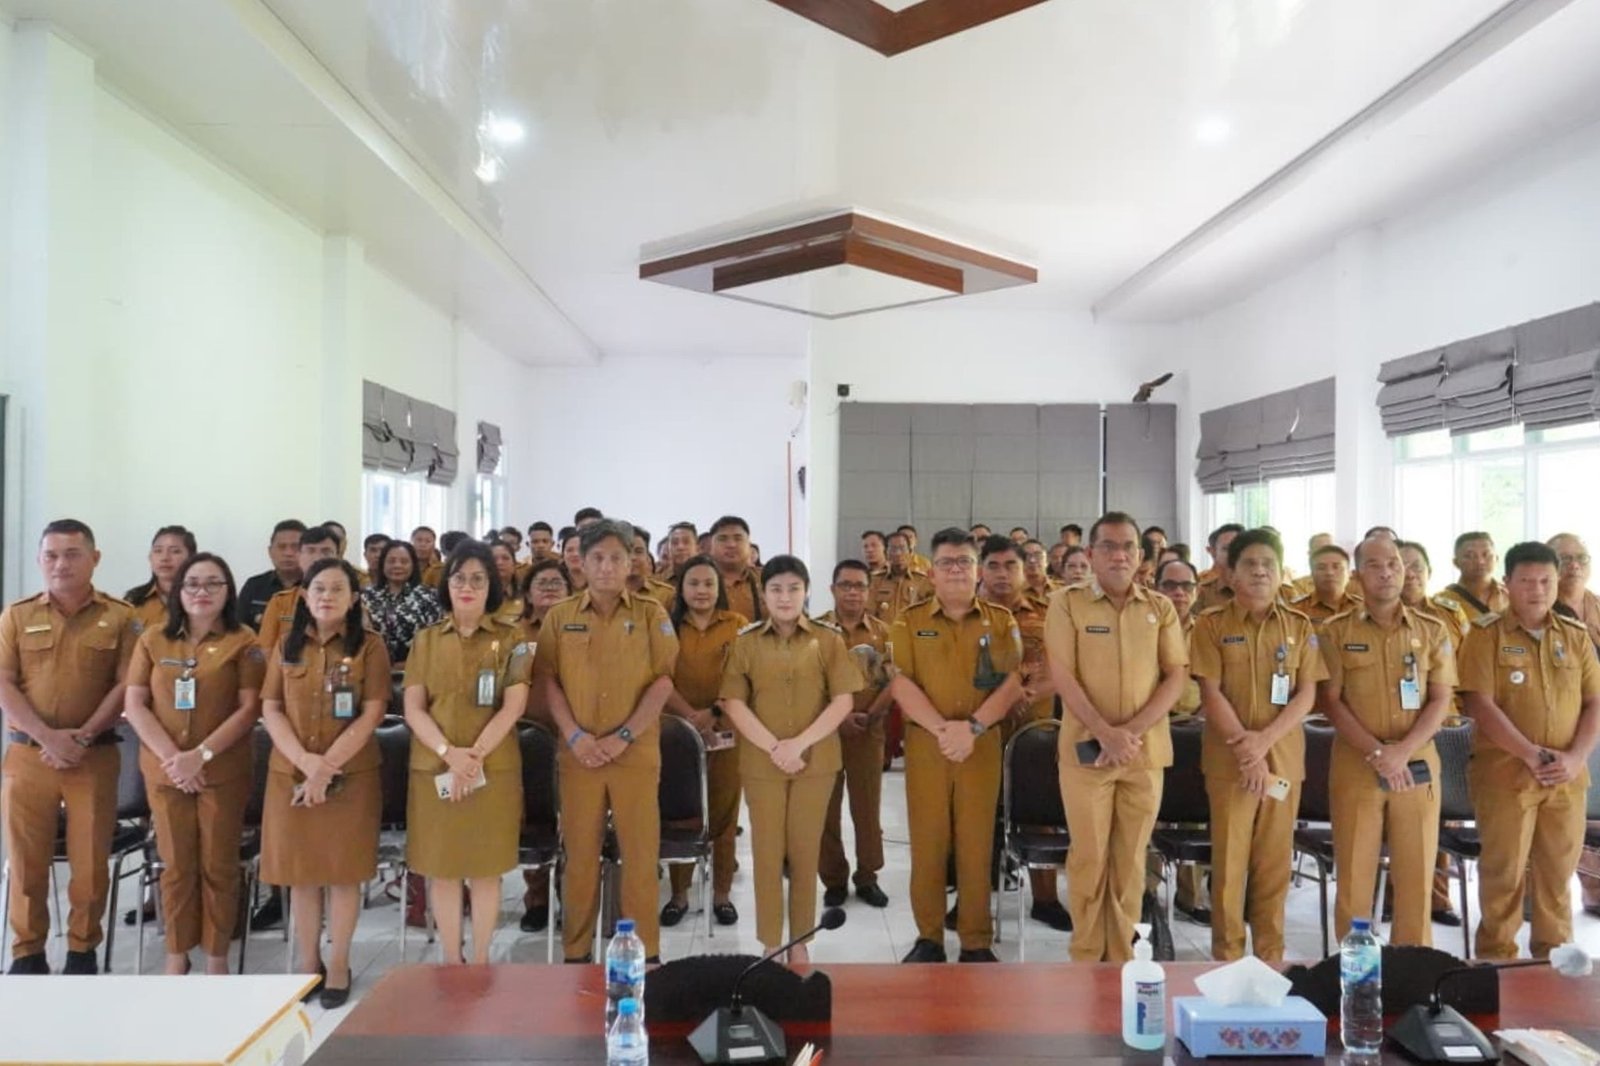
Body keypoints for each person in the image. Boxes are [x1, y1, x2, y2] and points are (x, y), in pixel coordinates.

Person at [1045, 512, 1188, 963]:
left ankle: (1123, 960)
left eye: (1128, 546)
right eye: (1108, 546)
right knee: (1089, 859)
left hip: (1144, 755)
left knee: (1131, 863)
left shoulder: (1160, 608)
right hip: (1087, 753)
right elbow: (1062, 675)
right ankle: (1087, 957)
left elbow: (1176, 675)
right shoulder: (1066, 604)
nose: (1119, 555)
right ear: (1090, 554)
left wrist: (1130, 733)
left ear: (1141, 555)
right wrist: (1105, 733)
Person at [535, 518, 679, 963]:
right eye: (597, 557)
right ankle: (577, 952)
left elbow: (663, 682)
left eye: (617, 557)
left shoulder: (652, 614)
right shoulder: (560, 617)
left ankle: (643, 954)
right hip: (578, 755)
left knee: (639, 855)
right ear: (580, 561)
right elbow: (548, 680)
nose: (607, 567)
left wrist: (624, 736)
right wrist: (574, 735)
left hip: (634, 752)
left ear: (631, 561)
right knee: (580, 856)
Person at [0, 519, 138, 975]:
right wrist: (48, 737)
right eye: (51, 555)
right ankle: (27, 952)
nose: (61, 564)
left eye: (72, 554)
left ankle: (82, 949)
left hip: (92, 756)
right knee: (26, 861)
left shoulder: (121, 617)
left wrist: (81, 737)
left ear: (94, 558)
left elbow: (126, 685)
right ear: (40, 560)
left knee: (90, 862)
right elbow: (4, 684)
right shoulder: (16, 616)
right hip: (28, 756)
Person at [1459, 541, 1600, 959]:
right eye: (1526, 581)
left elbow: (1595, 702)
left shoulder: (1575, 636)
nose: (1537, 590)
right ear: (1507, 583)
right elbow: (1478, 703)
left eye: (1545, 581)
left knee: (1557, 876)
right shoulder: (1485, 635)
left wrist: (1576, 757)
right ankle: (1495, 961)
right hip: (1507, 775)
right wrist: (1529, 753)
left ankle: (1552, 963)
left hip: (1566, 778)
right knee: (1503, 874)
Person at [1190, 528, 1325, 961]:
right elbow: (1210, 692)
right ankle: (1227, 956)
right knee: (1230, 864)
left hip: (1282, 765)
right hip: (1229, 765)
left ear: (1281, 572)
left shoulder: (1299, 626)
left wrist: (1263, 742)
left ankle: (1270, 954)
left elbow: (1307, 694)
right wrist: (1247, 753)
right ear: (1230, 574)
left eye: (1268, 563)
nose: (1260, 571)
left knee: (1273, 863)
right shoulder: (1211, 625)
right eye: (1249, 563)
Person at [889, 528, 1023, 963]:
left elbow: (1011, 683)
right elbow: (900, 682)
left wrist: (973, 729)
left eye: (964, 561)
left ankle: (975, 940)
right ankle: (929, 937)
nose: (956, 570)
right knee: (928, 843)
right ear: (931, 571)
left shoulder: (1000, 621)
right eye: (946, 562)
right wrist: (944, 731)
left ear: (978, 570)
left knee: (976, 844)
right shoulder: (909, 621)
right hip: (927, 745)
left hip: (980, 745)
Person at [124, 553, 262, 975]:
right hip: (165, 773)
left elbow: (249, 709)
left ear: (228, 590)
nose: (202, 592)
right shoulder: (153, 639)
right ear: (178, 591)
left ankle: (217, 956)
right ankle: (177, 953)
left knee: (218, 865)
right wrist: (174, 759)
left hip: (221, 772)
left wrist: (199, 756)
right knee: (176, 866)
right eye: (192, 583)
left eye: (213, 583)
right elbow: (135, 703)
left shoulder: (245, 641)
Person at [259, 558, 389, 1004]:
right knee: (302, 875)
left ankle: (338, 963)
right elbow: (271, 707)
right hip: (291, 776)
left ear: (353, 598)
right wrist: (305, 762)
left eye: (337, 589)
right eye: (319, 588)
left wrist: (325, 767)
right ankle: (308, 961)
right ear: (304, 595)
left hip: (349, 778)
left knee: (342, 874)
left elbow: (373, 711)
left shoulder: (370, 646)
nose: (327, 596)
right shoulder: (286, 644)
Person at [721, 557, 860, 963]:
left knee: (804, 851)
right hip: (761, 764)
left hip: (815, 762)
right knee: (766, 853)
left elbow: (843, 701)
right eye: (776, 589)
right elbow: (733, 702)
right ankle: (770, 941)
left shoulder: (828, 640)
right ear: (763, 594)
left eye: (793, 588)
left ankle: (799, 941)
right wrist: (775, 748)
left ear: (806, 592)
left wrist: (798, 745)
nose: (785, 597)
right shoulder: (746, 642)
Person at [1319, 535, 1455, 947]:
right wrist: (1378, 752)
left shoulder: (1433, 630)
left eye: (1394, 564)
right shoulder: (1335, 631)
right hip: (1358, 763)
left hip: (1416, 762)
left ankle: (1413, 963)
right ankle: (1355, 966)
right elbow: (1331, 701)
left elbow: (1441, 699)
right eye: (1375, 566)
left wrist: (1401, 752)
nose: (1387, 573)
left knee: (1416, 873)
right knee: (1355, 873)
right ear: (1358, 575)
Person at [403, 541, 531, 966]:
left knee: (485, 869)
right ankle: (451, 961)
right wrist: (449, 754)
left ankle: (478, 962)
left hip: (491, 770)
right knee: (443, 869)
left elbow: (514, 706)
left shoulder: (515, 639)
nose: (467, 587)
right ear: (447, 584)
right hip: (434, 769)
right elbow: (413, 708)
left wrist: (472, 756)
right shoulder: (424, 640)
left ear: (492, 585)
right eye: (459, 578)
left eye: (478, 579)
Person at [978, 535, 1068, 931]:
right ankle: (973, 900)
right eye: (993, 566)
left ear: (1025, 569)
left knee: (1039, 816)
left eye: (1010, 565)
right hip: (983, 729)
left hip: (1035, 732)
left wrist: (1028, 693)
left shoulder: (1048, 614)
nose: (1002, 574)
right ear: (981, 570)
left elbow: (1064, 668)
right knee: (977, 817)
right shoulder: (968, 614)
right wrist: (999, 700)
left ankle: (1045, 900)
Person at [659, 555, 747, 928]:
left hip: (725, 729)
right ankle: (679, 895)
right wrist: (690, 718)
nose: (701, 591)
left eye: (709, 583)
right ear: (681, 588)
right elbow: (659, 676)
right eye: (693, 583)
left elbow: (742, 675)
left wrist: (712, 712)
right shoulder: (666, 626)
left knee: (724, 815)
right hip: (676, 735)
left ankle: (721, 895)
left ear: (719, 588)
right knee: (681, 814)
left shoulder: (737, 625)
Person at [1396, 539, 1469, 928]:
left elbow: (1469, 670)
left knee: (1439, 821)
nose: (1409, 574)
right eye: (1401, 565)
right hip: (1391, 732)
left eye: (1416, 566)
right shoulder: (1368, 617)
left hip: (1444, 728)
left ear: (1429, 572)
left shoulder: (1449, 616)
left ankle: (1437, 899)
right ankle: (1389, 895)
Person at [818, 560, 895, 910]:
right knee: (826, 810)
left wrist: (872, 713)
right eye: (845, 585)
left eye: (859, 586)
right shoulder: (816, 631)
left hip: (868, 731)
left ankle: (867, 876)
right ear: (832, 589)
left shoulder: (884, 632)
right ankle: (833, 879)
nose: (852, 592)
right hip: (826, 734)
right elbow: (809, 682)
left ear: (868, 591)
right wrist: (838, 718)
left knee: (867, 809)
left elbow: (895, 679)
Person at [515, 558, 572, 932]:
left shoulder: (581, 627)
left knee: (574, 822)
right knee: (534, 819)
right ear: (527, 593)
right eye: (542, 583)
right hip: (528, 738)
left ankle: (571, 895)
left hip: (575, 737)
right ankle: (536, 898)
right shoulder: (515, 634)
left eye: (557, 583)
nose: (550, 588)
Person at [1150, 557, 1209, 923]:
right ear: (1156, 588)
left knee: (1194, 817)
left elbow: (1218, 682)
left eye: (1186, 586)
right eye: (1169, 586)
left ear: (1196, 591)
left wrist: (1203, 714)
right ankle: (1148, 897)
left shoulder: (1207, 631)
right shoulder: (1144, 627)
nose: (1178, 593)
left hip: (1198, 730)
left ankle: (1189, 897)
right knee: (1151, 814)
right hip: (1153, 728)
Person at [257, 526, 343, 654]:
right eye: (310, 551)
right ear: (299, 556)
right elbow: (265, 652)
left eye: (326, 552)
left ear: (338, 557)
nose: (317, 558)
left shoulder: (350, 602)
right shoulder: (280, 602)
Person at [360, 540, 443, 665]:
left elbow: (435, 639)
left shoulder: (430, 597)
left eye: (404, 562)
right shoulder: (366, 596)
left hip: (418, 667)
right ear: (383, 564)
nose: (397, 565)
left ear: (413, 565)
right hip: (373, 666)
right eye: (391, 561)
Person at [125, 525, 197, 633]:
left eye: (175, 551)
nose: (165, 558)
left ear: (192, 558)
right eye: (158, 551)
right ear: (150, 557)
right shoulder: (134, 601)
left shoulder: (201, 598)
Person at [239, 519, 306, 631]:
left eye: (295, 547)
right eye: (281, 547)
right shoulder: (254, 586)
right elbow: (238, 629)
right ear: (270, 552)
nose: (288, 553)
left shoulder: (316, 587)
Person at [869, 530, 933, 624]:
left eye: (902, 548)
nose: (898, 553)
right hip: (883, 632)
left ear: (910, 552)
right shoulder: (875, 581)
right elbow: (868, 614)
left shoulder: (922, 581)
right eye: (893, 549)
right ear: (886, 553)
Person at [710, 516, 764, 623]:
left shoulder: (766, 579)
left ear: (749, 545)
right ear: (711, 547)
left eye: (738, 538)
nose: (731, 545)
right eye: (722, 539)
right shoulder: (698, 582)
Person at [1550, 534, 1600, 648]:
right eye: (1565, 559)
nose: (1574, 565)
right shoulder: (1539, 610)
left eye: (1582, 558)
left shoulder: (1597, 604)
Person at [1291, 544, 1361, 624]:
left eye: (1336, 567)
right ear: (1311, 574)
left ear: (1349, 573)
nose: (1329, 573)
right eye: (1321, 568)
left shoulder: (1362, 608)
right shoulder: (1295, 610)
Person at [1448, 532, 1510, 620]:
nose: (1480, 561)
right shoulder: (1443, 601)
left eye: (1486, 555)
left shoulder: (1510, 595)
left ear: (1496, 559)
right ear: (1456, 562)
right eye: (1470, 556)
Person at [1195, 524, 1244, 614]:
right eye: (1226, 549)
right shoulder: (1201, 592)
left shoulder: (1263, 589)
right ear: (1214, 552)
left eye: (1239, 548)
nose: (1233, 554)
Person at [627, 526, 676, 608]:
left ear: (647, 556)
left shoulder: (667, 595)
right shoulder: (606, 593)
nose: (632, 557)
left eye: (638, 551)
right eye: (627, 551)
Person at [491, 540, 525, 625]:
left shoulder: (526, 597)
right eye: (494, 559)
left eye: (505, 558)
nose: (499, 563)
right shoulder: (478, 598)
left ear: (514, 565)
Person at [560, 527, 588, 593]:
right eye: (570, 550)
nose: (575, 554)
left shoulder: (599, 582)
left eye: (581, 549)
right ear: (562, 555)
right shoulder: (556, 582)